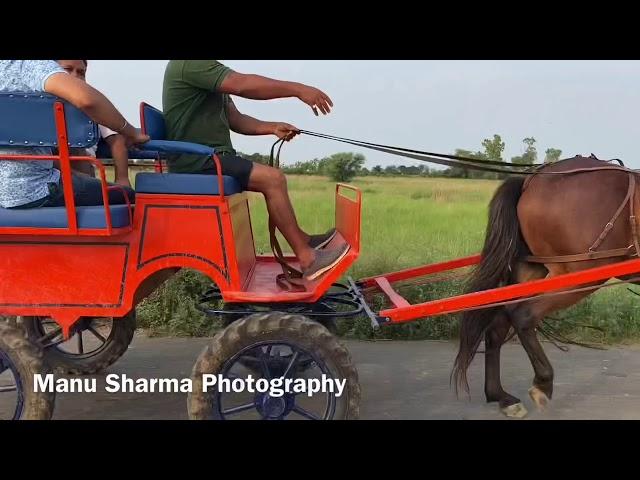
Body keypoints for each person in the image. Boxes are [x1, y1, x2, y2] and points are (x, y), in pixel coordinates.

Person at [162, 60, 348, 280]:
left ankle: (302, 240)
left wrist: (271, 127)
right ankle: (308, 257)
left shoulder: (210, 70)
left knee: (272, 178)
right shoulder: (192, 63)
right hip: (197, 161)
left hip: (212, 157)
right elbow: (241, 84)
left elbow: (235, 119)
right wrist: (298, 89)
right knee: (273, 179)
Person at [0, 60, 146, 210]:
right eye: (66, 70)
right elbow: (87, 100)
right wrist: (131, 132)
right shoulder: (30, 66)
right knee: (127, 195)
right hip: (35, 189)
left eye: (81, 72)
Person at [56, 60, 132, 188]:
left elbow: (116, 139)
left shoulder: (94, 102)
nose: (75, 76)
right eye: (68, 70)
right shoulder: (39, 101)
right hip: (47, 170)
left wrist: (122, 178)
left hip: (81, 170)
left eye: (81, 73)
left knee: (72, 140)